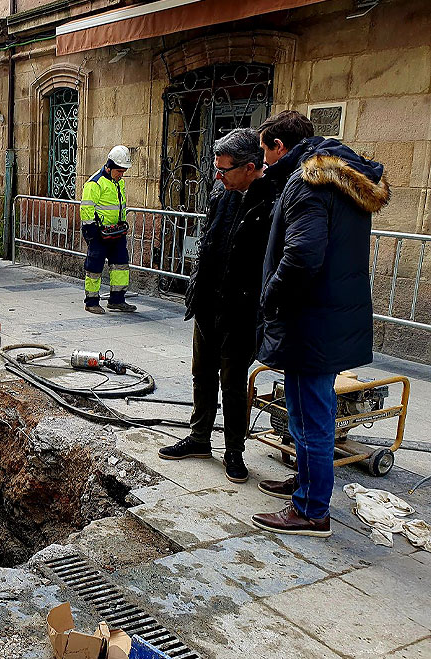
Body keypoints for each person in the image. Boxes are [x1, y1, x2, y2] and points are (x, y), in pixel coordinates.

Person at [251, 110, 390, 537]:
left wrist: (270, 299)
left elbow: (303, 256)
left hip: (310, 319)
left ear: (279, 147)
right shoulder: (343, 180)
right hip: (327, 316)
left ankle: (312, 510)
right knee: (307, 408)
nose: (266, 162)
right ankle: (304, 483)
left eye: (265, 152)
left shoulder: (306, 182)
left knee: (311, 414)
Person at [158, 128, 281, 483]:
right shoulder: (220, 191)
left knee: (233, 382)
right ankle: (199, 438)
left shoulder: (272, 199)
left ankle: (234, 451)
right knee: (202, 373)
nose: (217, 175)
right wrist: (197, 286)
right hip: (210, 301)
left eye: (223, 169)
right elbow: (209, 240)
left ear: (249, 167)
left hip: (241, 309)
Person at [80, 145, 136, 314]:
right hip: (98, 233)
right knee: (94, 267)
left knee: (120, 265)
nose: (121, 175)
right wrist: (91, 230)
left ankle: (117, 300)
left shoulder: (118, 182)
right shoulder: (95, 183)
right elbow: (86, 208)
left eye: (123, 172)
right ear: (109, 166)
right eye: (119, 171)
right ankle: (91, 301)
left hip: (116, 232)